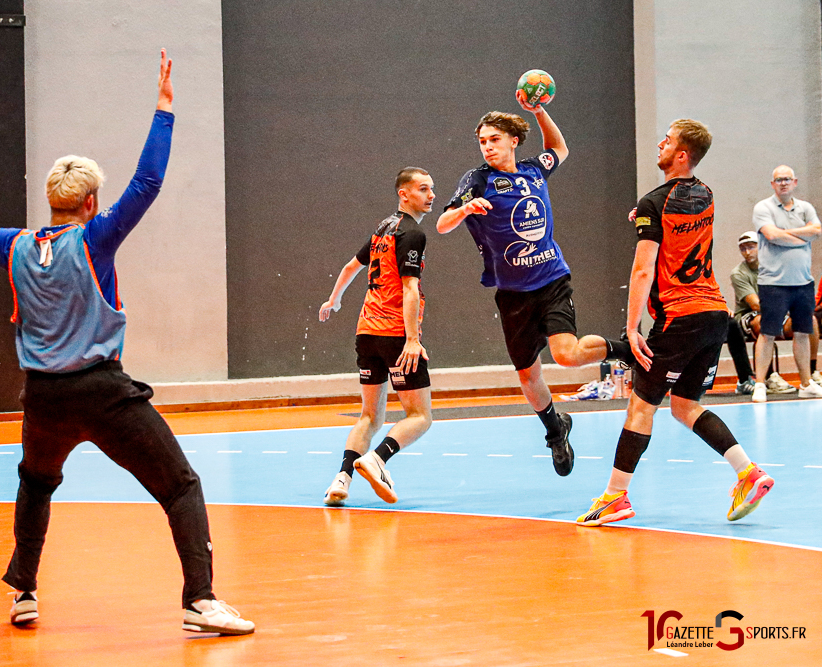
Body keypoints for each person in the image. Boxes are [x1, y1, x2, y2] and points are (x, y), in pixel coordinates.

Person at [0, 51, 254, 636]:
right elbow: (148, 182)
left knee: (36, 481)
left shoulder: (13, 245)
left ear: (53, 201)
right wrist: (164, 110)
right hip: (103, 392)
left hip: (43, 398)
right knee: (181, 486)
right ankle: (199, 601)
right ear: (91, 203)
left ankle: (23, 591)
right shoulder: (96, 239)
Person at [577, 119, 773, 527]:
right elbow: (680, 227)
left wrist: (632, 327)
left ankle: (615, 497)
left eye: (668, 141)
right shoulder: (706, 193)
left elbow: (643, 270)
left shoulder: (653, 202)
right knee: (685, 405)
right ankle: (748, 472)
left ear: (681, 155)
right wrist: (644, 216)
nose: (661, 144)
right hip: (716, 314)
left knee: (640, 407)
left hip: (679, 316)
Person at [436, 94, 632, 477]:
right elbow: (443, 224)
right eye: (482, 141)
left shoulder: (533, 171)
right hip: (512, 295)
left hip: (551, 280)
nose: (487, 146)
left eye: (494, 139)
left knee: (567, 355)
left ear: (513, 140)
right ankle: (556, 430)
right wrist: (464, 209)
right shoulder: (477, 181)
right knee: (528, 375)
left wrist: (539, 111)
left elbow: (559, 148)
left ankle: (625, 350)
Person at [319, 168, 435, 506]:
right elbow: (409, 287)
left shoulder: (382, 229)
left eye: (432, 189)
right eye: (423, 189)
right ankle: (378, 459)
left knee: (369, 416)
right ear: (404, 194)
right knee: (420, 416)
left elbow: (349, 268)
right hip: (395, 335)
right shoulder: (412, 234)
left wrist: (334, 299)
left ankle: (341, 479)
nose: (431, 195)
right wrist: (412, 339)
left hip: (365, 333)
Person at [750, 165, 822, 402]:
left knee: (803, 333)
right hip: (773, 283)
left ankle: (805, 383)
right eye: (778, 180)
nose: (783, 183)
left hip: (803, 283)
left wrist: (786, 234)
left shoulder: (806, 208)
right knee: (768, 333)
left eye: (787, 179)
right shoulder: (763, 207)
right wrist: (803, 236)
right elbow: (771, 235)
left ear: (795, 182)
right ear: (772, 184)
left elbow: (817, 231)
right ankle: (760, 384)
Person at [727, 231, 813, 395]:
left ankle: (811, 375)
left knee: (809, 321)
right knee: (763, 321)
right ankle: (769, 376)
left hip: (778, 311)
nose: (747, 252)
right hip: (749, 317)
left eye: (751, 248)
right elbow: (754, 304)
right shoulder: (739, 273)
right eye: (743, 249)